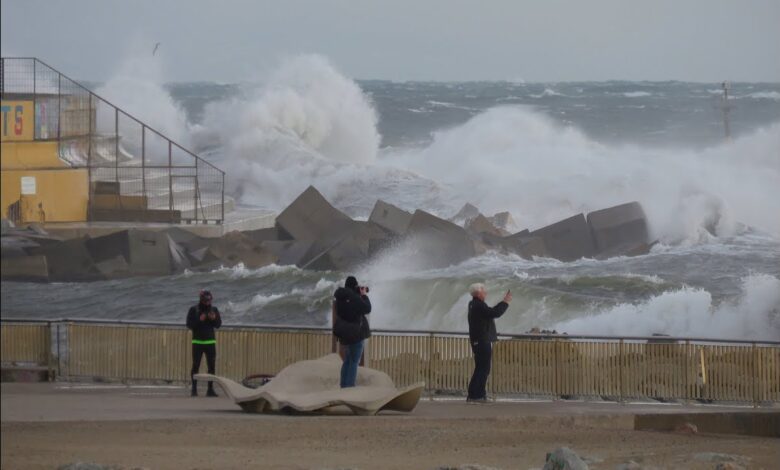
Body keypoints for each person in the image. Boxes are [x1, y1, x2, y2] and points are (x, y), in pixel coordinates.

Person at [467, 283, 512, 403]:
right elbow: (494, 313)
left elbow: (490, 312)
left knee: (480, 368)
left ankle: (474, 394)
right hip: (482, 341)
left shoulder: (473, 304)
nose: (486, 292)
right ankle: (477, 395)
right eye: (483, 291)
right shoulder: (478, 305)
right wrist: (505, 302)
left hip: (478, 340)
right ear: (478, 293)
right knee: (483, 368)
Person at [333, 276, 371, 388]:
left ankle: (343, 385)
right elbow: (367, 308)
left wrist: (357, 295)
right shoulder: (354, 298)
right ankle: (349, 388)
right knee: (354, 362)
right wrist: (363, 295)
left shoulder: (340, 298)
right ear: (354, 286)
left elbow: (349, 309)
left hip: (345, 333)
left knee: (347, 361)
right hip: (355, 333)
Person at [186, 290, 222, 397]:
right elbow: (189, 325)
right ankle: (194, 389)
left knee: (211, 366)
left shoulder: (214, 309)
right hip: (197, 342)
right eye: (206, 301)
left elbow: (218, 325)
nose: (208, 303)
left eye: (209, 300)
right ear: (201, 300)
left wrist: (213, 319)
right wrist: (199, 319)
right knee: (195, 365)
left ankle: (210, 389)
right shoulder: (194, 309)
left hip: (210, 342)